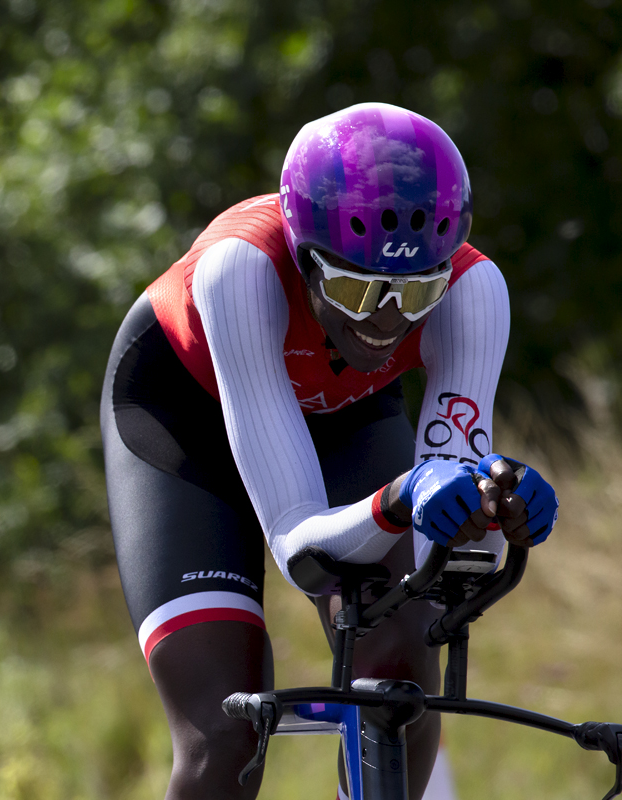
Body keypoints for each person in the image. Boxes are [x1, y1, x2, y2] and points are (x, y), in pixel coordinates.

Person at [100, 102, 559, 800]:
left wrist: (499, 515)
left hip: (345, 414)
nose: (385, 319)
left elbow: (457, 562)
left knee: (399, 687)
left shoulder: (472, 291)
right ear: (301, 253)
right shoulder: (243, 269)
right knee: (227, 729)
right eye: (353, 287)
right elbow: (299, 546)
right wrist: (402, 498)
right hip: (185, 421)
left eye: (417, 292)